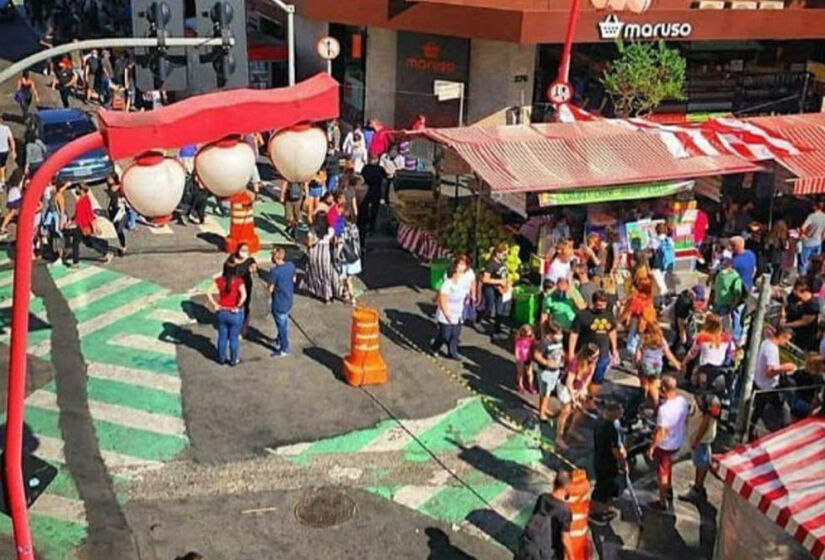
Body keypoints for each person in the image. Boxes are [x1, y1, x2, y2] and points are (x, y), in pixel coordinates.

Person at [646, 375, 690, 511]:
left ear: (664, 389)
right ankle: (669, 490)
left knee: (662, 473)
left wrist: (652, 447)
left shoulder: (664, 409)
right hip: (677, 441)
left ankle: (662, 501)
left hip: (665, 445)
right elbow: (687, 417)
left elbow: (661, 432)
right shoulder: (682, 401)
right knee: (668, 467)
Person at [568, 290, 619, 406]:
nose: (602, 307)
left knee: (597, 379)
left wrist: (614, 349)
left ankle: (590, 399)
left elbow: (612, 331)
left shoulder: (609, 314)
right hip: (586, 355)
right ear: (594, 303)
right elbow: (574, 334)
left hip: (603, 354)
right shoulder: (583, 316)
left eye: (604, 304)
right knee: (581, 377)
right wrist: (571, 353)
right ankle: (576, 396)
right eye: (600, 305)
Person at [515, 470, 574, 560]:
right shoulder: (564, 511)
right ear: (567, 488)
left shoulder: (543, 498)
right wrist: (572, 557)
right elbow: (565, 538)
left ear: (554, 483)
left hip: (531, 546)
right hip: (546, 551)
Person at [751, 326, 796, 439]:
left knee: (758, 409)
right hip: (768, 387)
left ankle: (750, 432)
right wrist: (785, 367)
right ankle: (786, 433)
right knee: (784, 409)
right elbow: (769, 372)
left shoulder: (766, 343)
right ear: (781, 336)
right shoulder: (771, 349)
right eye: (787, 340)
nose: (787, 343)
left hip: (759, 383)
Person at [590, 401, 626, 525]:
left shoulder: (599, 422)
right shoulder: (610, 429)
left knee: (608, 488)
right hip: (607, 463)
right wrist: (622, 462)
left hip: (599, 459)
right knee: (602, 488)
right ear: (612, 412)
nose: (621, 413)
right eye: (619, 411)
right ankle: (594, 513)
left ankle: (606, 510)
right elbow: (615, 450)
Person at [681, 391, 721, 503]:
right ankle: (698, 484)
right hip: (701, 439)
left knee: (701, 464)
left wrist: (697, 440)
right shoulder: (706, 396)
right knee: (703, 461)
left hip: (701, 440)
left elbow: (705, 423)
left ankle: (697, 488)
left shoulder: (709, 401)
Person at [62, 184, 114, 266]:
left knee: (76, 243)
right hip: (80, 225)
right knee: (89, 242)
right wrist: (71, 221)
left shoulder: (85, 200)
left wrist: (95, 226)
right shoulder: (81, 199)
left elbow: (89, 214)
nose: (76, 189)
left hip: (83, 225)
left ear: (82, 190)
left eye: (77, 188)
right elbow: (78, 214)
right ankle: (105, 249)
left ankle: (76, 262)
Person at [206, 265, 247, 366]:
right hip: (234, 313)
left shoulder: (219, 281)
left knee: (222, 337)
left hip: (222, 312)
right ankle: (233, 360)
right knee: (233, 338)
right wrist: (238, 305)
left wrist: (215, 304)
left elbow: (208, 292)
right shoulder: (238, 281)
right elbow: (244, 295)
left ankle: (221, 359)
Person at [681, 313, 736, 388]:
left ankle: (689, 381)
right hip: (720, 367)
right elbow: (732, 353)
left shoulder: (702, 337)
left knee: (693, 357)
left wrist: (684, 362)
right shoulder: (728, 338)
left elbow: (692, 353)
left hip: (705, 367)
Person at [431, 261, 469, 360]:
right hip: (446, 313)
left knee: (455, 334)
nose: (461, 274)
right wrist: (447, 314)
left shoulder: (462, 283)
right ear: (454, 272)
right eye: (459, 272)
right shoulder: (447, 285)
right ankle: (435, 347)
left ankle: (453, 352)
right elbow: (443, 301)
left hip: (458, 313)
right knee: (445, 335)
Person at [635, 326, 680, 406]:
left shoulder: (644, 339)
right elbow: (668, 353)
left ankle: (644, 397)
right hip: (657, 367)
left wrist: (637, 362)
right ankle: (655, 402)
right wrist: (676, 363)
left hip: (646, 365)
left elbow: (638, 353)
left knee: (644, 382)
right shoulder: (661, 340)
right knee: (654, 385)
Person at [304, 211, 339, 304]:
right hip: (325, 253)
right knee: (326, 274)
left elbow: (309, 243)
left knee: (315, 273)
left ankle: (315, 291)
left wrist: (314, 241)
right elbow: (334, 240)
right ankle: (328, 295)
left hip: (314, 253)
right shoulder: (331, 230)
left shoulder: (312, 230)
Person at [224, 243, 257, 337]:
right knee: (233, 305)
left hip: (246, 286)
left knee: (244, 306)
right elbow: (225, 274)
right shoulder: (231, 260)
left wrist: (253, 269)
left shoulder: (250, 260)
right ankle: (233, 325)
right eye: (242, 250)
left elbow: (255, 268)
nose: (244, 252)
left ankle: (244, 328)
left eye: (246, 250)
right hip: (233, 287)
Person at [268, 247, 296, 358]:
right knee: (284, 321)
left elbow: (270, 288)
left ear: (275, 258)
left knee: (281, 326)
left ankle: (284, 348)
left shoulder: (274, 272)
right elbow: (294, 279)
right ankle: (279, 339)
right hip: (288, 299)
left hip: (279, 302)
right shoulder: (290, 265)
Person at [782, 279, 820, 353]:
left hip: (802, 335)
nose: (793, 292)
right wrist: (783, 316)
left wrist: (786, 325)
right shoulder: (794, 296)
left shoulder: (812, 306)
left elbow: (803, 322)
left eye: (796, 291)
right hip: (788, 326)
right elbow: (785, 305)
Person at [481, 243, 509, 338]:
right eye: (503, 254)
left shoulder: (502, 262)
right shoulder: (491, 264)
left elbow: (503, 275)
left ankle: (497, 329)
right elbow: (485, 279)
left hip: (499, 288)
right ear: (497, 252)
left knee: (499, 309)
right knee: (489, 307)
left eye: (505, 254)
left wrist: (505, 284)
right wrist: (499, 281)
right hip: (489, 288)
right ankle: (479, 317)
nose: (504, 256)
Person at [710, 257, 743, 336]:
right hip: (716, 303)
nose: (723, 267)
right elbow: (714, 288)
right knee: (714, 323)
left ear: (730, 266)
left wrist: (731, 307)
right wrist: (710, 301)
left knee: (725, 327)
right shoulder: (719, 274)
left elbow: (737, 294)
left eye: (725, 265)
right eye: (723, 265)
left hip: (725, 305)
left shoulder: (736, 277)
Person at [359, 155, 386, 238]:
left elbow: (362, 178)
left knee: (365, 209)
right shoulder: (380, 169)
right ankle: (371, 227)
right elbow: (384, 179)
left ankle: (364, 226)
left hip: (367, 191)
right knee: (374, 209)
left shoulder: (366, 168)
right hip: (376, 191)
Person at [338, 215, 362, 306]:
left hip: (345, 256)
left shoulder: (342, 227)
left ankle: (352, 298)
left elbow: (340, 242)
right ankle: (346, 294)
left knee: (347, 278)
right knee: (348, 277)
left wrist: (337, 254)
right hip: (354, 255)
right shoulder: (354, 227)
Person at [105, 175, 128, 256]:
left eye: (109, 178)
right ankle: (123, 246)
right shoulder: (111, 188)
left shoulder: (118, 188)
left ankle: (123, 247)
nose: (108, 180)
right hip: (113, 211)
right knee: (118, 231)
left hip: (120, 211)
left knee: (119, 230)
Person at [800, 200, 825, 274]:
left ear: (815, 207)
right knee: (815, 263)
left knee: (804, 262)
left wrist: (803, 236)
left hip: (808, 242)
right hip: (818, 243)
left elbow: (803, 227)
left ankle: (803, 278)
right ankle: (813, 277)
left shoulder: (812, 216)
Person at [514, 324, 536, 394]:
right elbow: (517, 349)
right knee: (520, 373)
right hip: (520, 358)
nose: (529, 336)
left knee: (529, 373)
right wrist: (517, 357)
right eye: (527, 335)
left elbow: (532, 347)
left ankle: (531, 385)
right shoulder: (519, 340)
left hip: (528, 358)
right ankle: (520, 384)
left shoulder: (531, 339)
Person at [0, 115, 16, 188]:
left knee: (1, 166)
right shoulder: (6, 128)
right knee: (2, 165)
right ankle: (2, 181)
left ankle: (2, 182)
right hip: (5, 150)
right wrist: (13, 151)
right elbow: (11, 140)